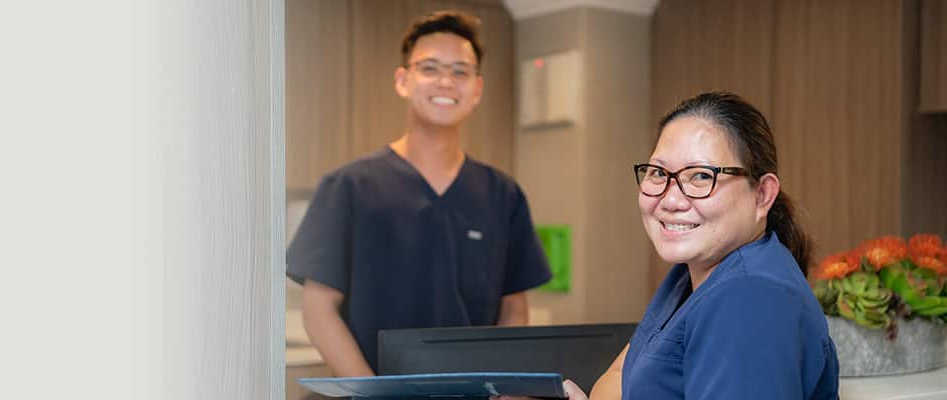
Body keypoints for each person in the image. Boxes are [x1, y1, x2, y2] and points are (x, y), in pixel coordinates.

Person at [497, 92, 841, 400]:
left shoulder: (750, 297)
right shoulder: (692, 276)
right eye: (659, 174)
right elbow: (621, 382)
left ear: (763, 194)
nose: (671, 198)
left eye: (702, 176)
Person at [287, 10, 552, 378]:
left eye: (460, 71)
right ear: (403, 80)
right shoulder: (348, 187)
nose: (446, 81)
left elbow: (512, 309)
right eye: (429, 68)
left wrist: (498, 385)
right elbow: (319, 309)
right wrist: (373, 393)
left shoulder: (502, 194)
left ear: (477, 88)